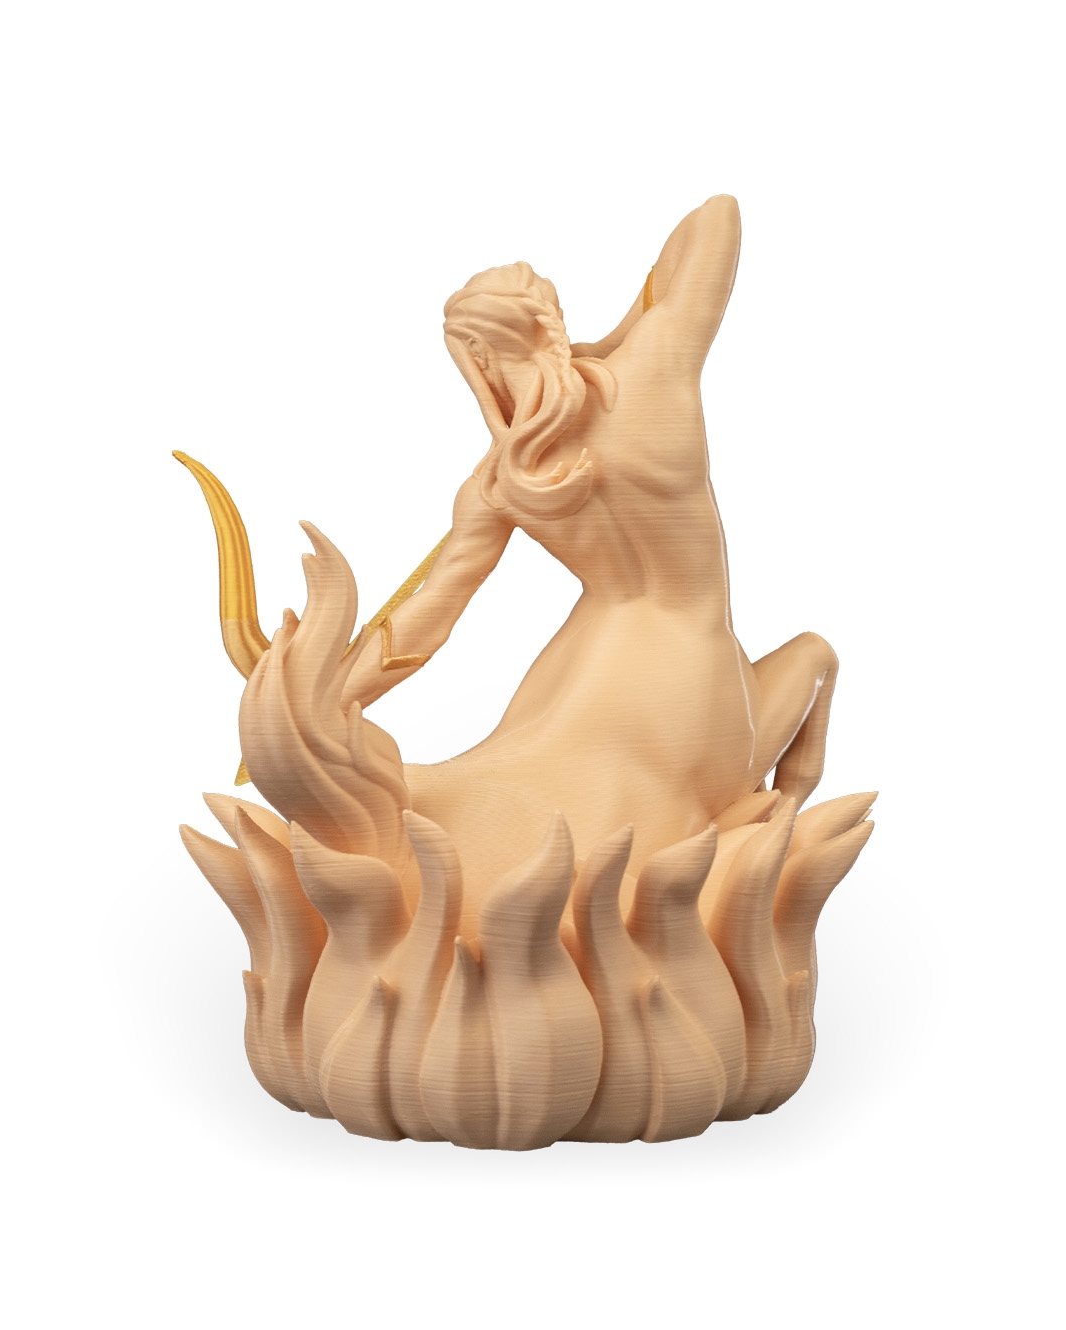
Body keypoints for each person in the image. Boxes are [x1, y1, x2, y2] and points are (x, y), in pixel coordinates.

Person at [339, 195, 837, 916]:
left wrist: (336, 699)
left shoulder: (496, 483)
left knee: (516, 774)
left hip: (589, 659)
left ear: (474, 358)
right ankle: (774, 822)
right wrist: (606, 343)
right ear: (549, 323)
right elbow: (716, 219)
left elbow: (432, 613)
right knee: (814, 655)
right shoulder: (652, 376)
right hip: (692, 665)